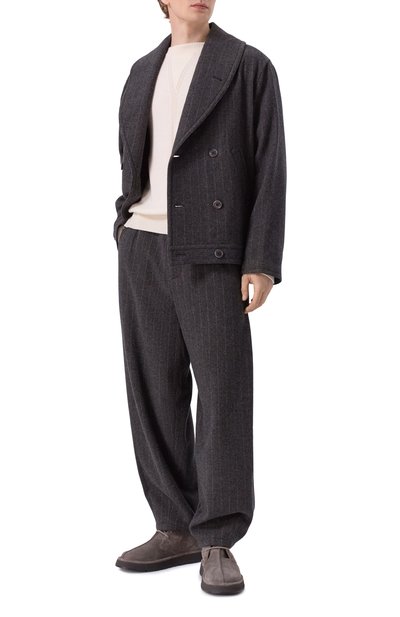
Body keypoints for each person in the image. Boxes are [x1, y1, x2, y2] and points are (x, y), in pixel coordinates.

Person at [113, 0, 286, 595]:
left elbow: (269, 165)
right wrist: (123, 223)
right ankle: (174, 525)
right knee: (153, 391)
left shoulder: (247, 65)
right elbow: (132, 156)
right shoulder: (142, 70)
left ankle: (216, 537)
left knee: (222, 392)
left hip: (212, 250)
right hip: (142, 246)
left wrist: (260, 260)